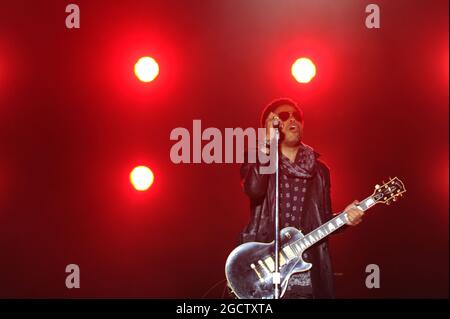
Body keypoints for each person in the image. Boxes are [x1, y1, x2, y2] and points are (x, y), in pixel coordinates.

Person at [238, 98, 364, 299]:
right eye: (284, 117)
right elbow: (254, 189)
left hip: (306, 268)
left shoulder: (320, 171)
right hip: (265, 267)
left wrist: (346, 218)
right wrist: (267, 143)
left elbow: (321, 221)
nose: (292, 120)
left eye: (297, 116)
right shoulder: (259, 158)